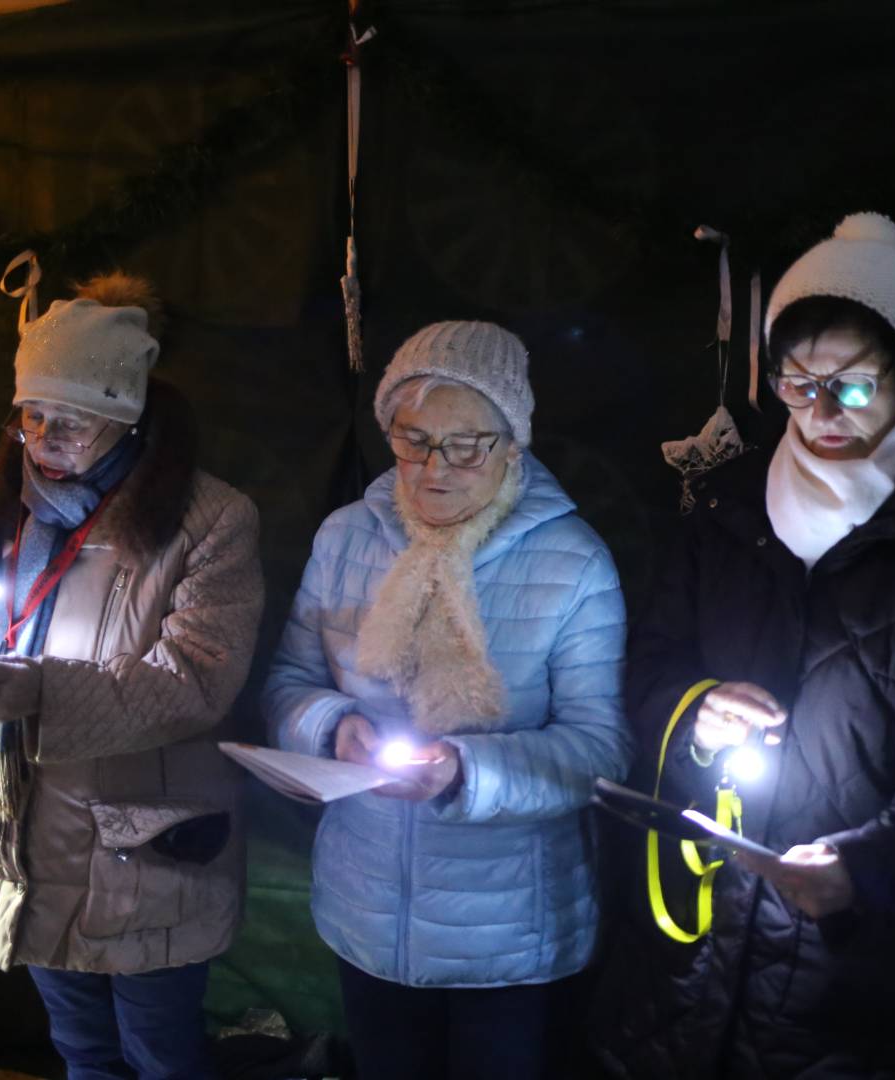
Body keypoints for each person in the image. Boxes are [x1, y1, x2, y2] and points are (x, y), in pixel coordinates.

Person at [590, 214, 895, 1078]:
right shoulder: (725, 507)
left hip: (856, 980)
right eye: (797, 385)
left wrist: (865, 866)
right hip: (694, 948)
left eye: (853, 387)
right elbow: (648, 665)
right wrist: (696, 712)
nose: (821, 412)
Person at [0, 272, 263, 1079]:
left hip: (141, 849)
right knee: (80, 1052)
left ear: (127, 418)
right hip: (24, 834)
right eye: (30, 416)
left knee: (160, 1055)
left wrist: (46, 692)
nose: (44, 438)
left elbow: (199, 679)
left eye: (73, 420)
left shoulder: (211, 521)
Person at [264, 320, 630, 1080]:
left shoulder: (575, 562)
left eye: (467, 444)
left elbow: (600, 749)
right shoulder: (344, 539)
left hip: (511, 938)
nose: (435, 468)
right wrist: (334, 726)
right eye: (414, 439)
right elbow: (287, 684)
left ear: (511, 442)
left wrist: (465, 773)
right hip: (367, 915)